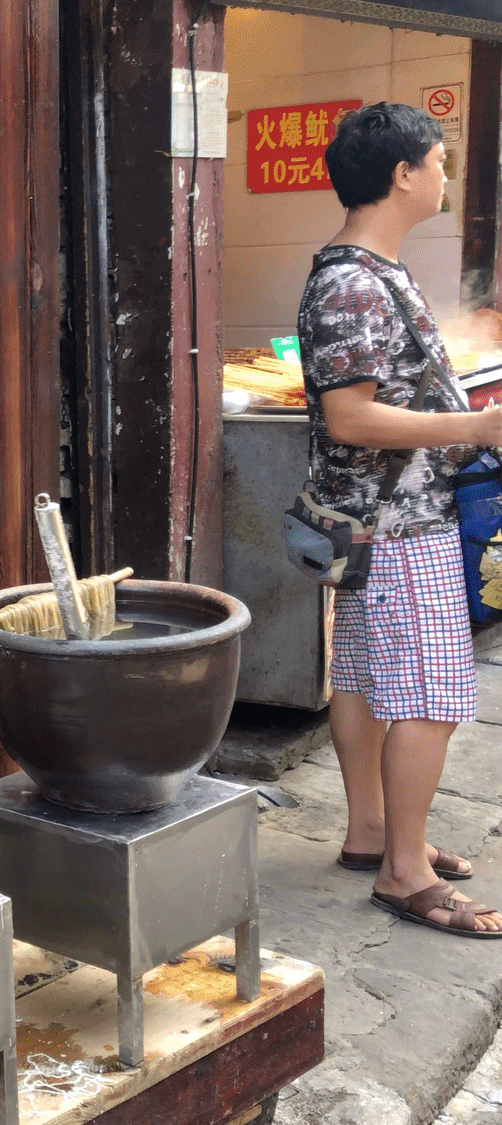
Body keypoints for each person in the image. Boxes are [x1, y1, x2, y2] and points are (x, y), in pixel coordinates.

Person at [304, 102, 502, 939]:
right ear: (402, 174)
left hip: (372, 520)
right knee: (432, 692)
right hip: (400, 524)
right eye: (439, 161)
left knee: (358, 673)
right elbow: (349, 418)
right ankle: (404, 870)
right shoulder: (354, 280)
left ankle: (373, 832)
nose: (445, 174)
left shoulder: (372, 268)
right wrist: (476, 426)